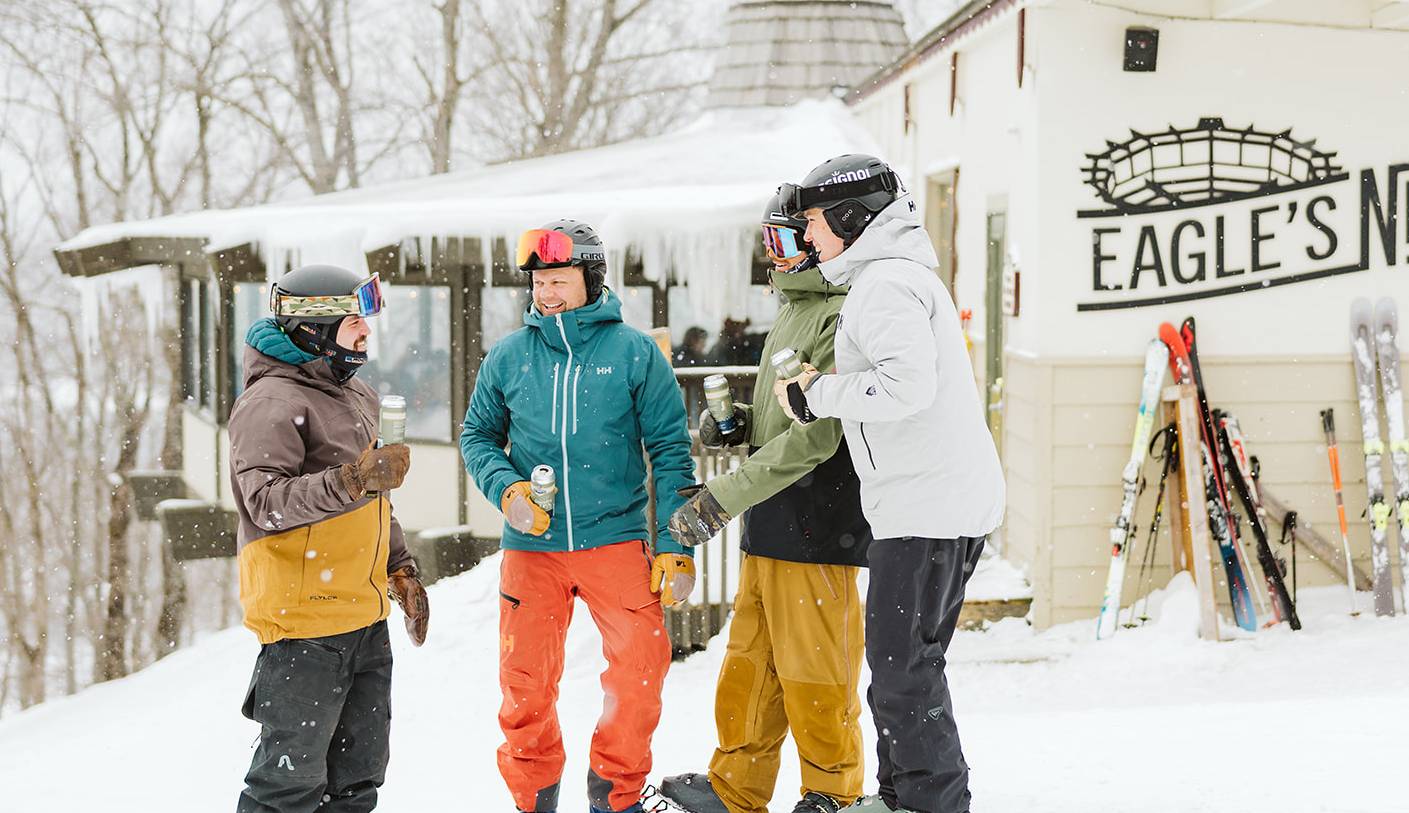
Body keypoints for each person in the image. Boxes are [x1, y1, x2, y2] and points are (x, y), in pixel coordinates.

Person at [772, 155, 1005, 813]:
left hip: (927, 507)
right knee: (900, 667)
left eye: (814, 221)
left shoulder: (886, 286)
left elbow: (906, 386)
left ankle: (930, 803)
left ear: (852, 217)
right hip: (926, 502)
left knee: (905, 671)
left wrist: (819, 393)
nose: (807, 237)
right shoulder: (887, 280)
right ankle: (902, 793)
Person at [460, 219, 698, 813]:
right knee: (525, 688)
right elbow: (478, 436)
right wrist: (508, 488)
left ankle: (615, 796)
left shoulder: (634, 353)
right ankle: (532, 799)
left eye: (560, 279)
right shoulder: (509, 357)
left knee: (640, 669)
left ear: (591, 279)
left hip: (613, 539)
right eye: (540, 280)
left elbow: (671, 452)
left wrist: (676, 542)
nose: (546, 292)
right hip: (530, 547)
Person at [661, 193, 872, 813]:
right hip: (771, 520)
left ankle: (832, 790)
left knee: (817, 672)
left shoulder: (845, 312)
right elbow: (786, 418)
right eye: (769, 245)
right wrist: (741, 424)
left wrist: (722, 497)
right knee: (750, 667)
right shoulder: (796, 308)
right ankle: (736, 787)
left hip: (819, 522)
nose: (773, 259)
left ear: (817, 240)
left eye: (783, 242)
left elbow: (820, 434)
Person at [230, 263, 428, 813]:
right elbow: (265, 504)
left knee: (357, 783)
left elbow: (374, 501)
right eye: (351, 322)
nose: (365, 333)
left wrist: (401, 568)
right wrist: (351, 479)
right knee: (286, 790)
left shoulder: (353, 393)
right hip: (304, 626)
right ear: (311, 330)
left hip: (362, 620)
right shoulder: (273, 402)